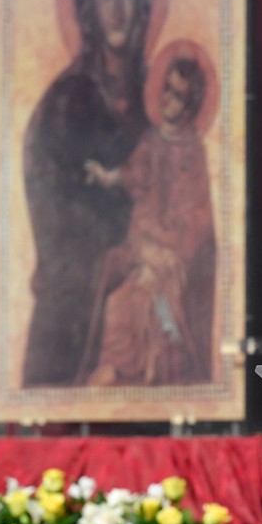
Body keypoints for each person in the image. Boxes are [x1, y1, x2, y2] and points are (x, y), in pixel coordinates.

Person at [21, 0, 153, 386]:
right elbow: (55, 217)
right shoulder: (65, 103)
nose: (118, 8)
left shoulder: (162, 95)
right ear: (87, 7)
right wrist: (113, 252)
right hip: (76, 319)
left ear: (145, 3)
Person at [77, 54, 216, 386]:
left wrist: (164, 256)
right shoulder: (152, 140)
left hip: (172, 256)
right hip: (142, 244)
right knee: (110, 287)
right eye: (167, 90)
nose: (168, 100)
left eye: (179, 95)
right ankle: (117, 366)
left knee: (128, 302)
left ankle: (125, 368)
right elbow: (132, 175)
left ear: (191, 104)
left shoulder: (192, 151)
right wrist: (108, 177)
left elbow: (196, 216)